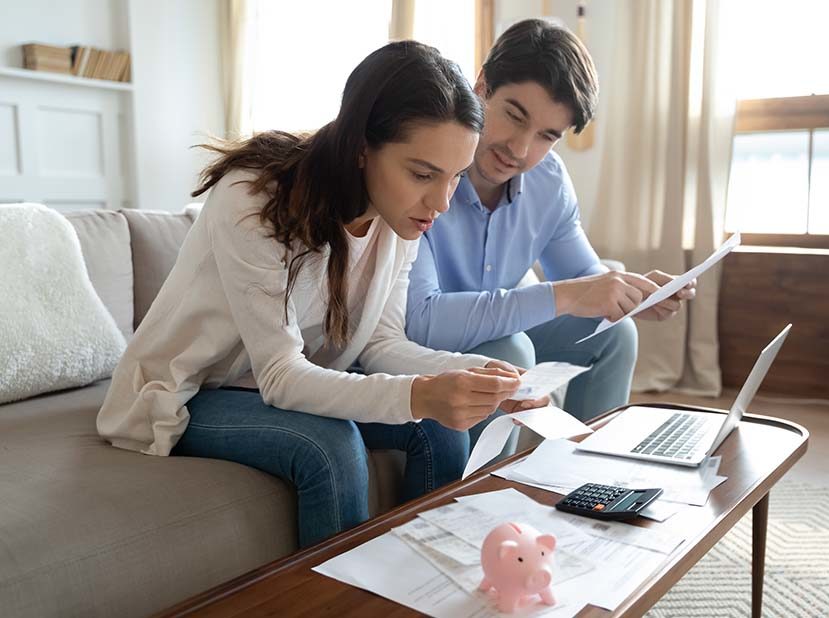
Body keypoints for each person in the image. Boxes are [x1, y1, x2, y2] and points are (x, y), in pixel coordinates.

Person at [96, 41, 544, 549]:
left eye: (455, 176)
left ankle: (429, 585)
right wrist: (420, 393)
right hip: (192, 391)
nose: (441, 202)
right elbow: (281, 376)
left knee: (439, 428)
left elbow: (379, 343)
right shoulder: (254, 197)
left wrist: (472, 375)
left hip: (289, 381)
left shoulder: (399, 220)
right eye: (422, 174)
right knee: (330, 445)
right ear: (360, 147)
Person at [406, 19, 696, 441]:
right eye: (514, 116)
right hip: (424, 343)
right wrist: (571, 295)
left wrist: (630, 296)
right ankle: (486, 501)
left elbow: (584, 277)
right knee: (509, 351)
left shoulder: (549, 183)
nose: (520, 149)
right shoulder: (427, 168)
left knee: (615, 334)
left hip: (493, 331)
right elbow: (422, 321)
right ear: (481, 86)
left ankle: (588, 481)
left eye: (546, 136)